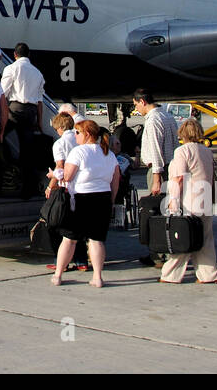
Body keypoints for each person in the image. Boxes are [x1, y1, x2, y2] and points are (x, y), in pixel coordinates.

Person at [51, 120, 121, 288]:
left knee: (69, 239)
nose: (75, 136)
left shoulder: (78, 152)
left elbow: (67, 176)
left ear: (87, 134)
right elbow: (116, 178)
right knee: (96, 240)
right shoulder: (108, 154)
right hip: (103, 197)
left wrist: (54, 174)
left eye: (77, 133)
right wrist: (111, 200)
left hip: (82, 198)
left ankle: (58, 274)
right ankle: (97, 277)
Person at [160, 119, 217, 284]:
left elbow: (179, 178)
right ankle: (209, 274)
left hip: (189, 201)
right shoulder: (206, 151)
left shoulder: (182, 151)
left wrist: (173, 199)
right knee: (206, 240)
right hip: (205, 199)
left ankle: (171, 275)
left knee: (183, 238)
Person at [1, 44, 47, 199]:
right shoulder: (38, 73)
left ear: (15, 54)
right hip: (31, 112)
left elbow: (3, 93)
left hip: (15, 110)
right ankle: (28, 189)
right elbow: (40, 101)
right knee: (27, 151)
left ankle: (5, 169)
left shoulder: (11, 69)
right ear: (29, 54)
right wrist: (40, 122)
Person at [46, 113, 89, 271]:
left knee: (58, 226)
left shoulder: (59, 143)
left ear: (60, 128)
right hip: (82, 187)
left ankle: (61, 262)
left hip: (66, 188)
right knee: (78, 227)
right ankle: (81, 261)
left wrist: (51, 185)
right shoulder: (80, 140)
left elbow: (60, 166)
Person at [132, 90, 177, 196]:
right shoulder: (168, 116)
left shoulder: (153, 121)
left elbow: (155, 150)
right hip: (171, 167)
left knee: (157, 206)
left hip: (159, 171)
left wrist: (156, 180)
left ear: (142, 102)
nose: (136, 109)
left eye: (136, 105)